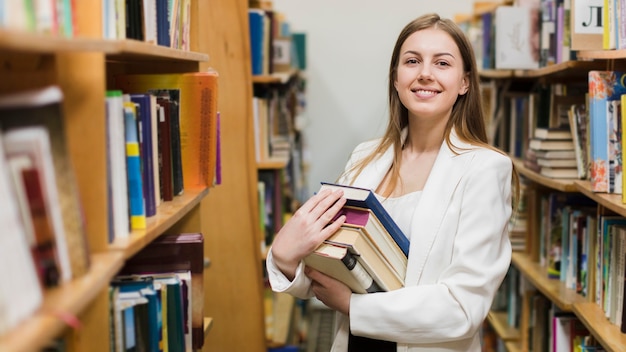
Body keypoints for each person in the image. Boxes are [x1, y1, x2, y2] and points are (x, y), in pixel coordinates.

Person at [266, 13, 517, 352]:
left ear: (464, 82)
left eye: (442, 63)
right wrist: (284, 258)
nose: (425, 73)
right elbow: (328, 272)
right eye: (412, 61)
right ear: (396, 79)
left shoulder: (486, 169)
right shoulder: (364, 158)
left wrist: (353, 307)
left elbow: (463, 308)